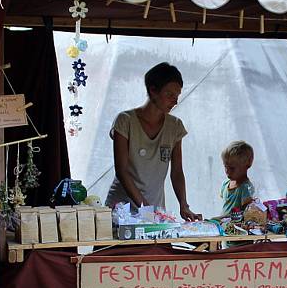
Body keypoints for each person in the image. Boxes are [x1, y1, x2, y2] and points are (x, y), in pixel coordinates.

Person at [106, 62, 201, 221]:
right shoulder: (125, 121)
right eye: (170, 95)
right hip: (121, 210)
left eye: (177, 96)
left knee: (158, 246)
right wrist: (146, 208)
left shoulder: (175, 126)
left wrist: (184, 205)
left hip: (154, 212)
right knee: (119, 245)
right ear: (153, 91)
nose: (175, 101)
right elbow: (122, 171)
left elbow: (177, 171)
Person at [218, 141, 255, 218]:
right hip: (223, 222)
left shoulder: (246, 188)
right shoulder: (225, 184)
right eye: (225, 167)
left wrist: (220, 218)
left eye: (232, 168)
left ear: (247, 164)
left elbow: (245, 213)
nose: (227, 171)